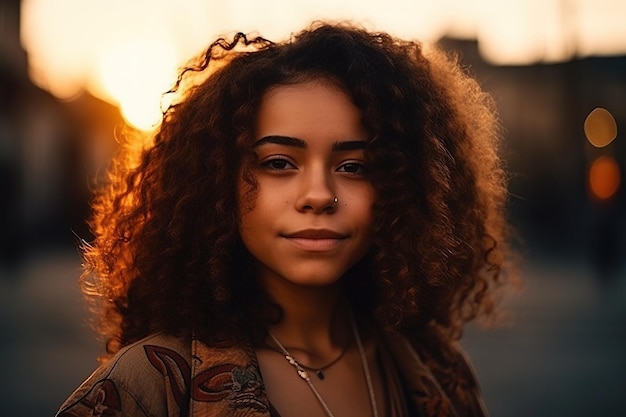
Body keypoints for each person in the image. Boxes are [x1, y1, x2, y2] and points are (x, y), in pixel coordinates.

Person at [56, 21, 515, 417]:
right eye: (279, 163)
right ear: (218, 183)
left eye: (353, 166)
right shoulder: (145, 388)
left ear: (400, 189)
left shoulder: (439, 371)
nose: (318, 195)